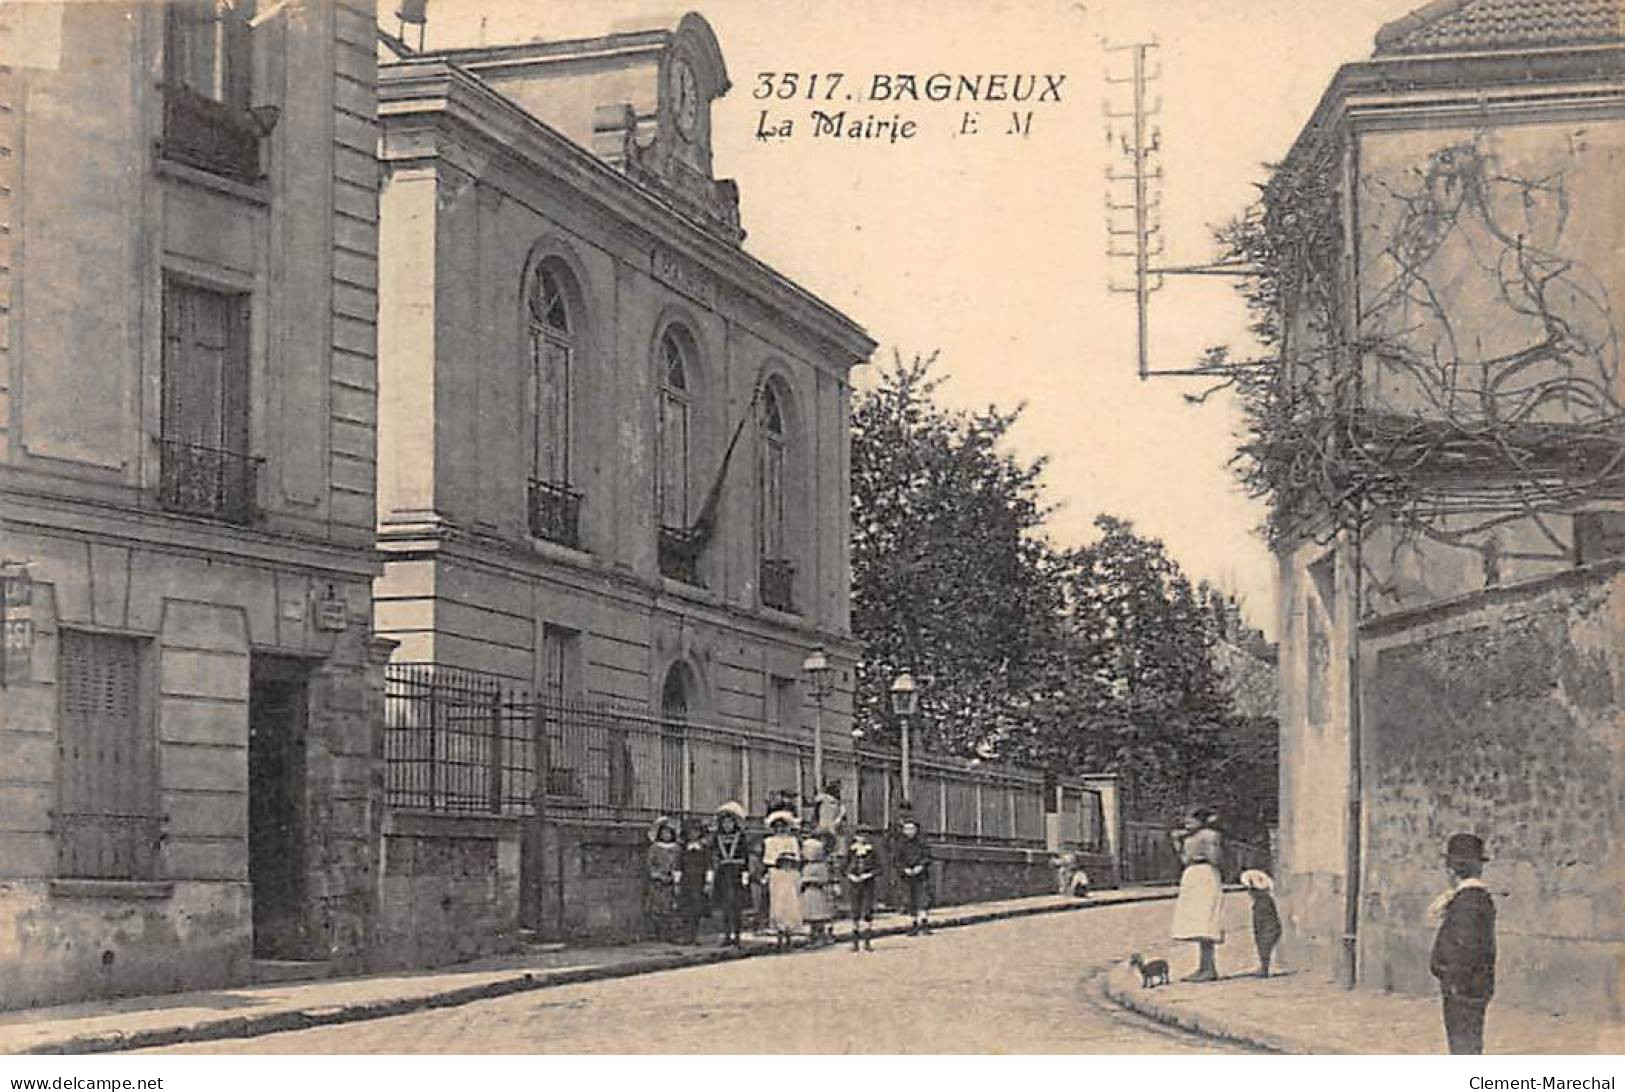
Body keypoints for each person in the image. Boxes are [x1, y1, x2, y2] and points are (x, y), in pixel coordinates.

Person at [1429, 832, 1496, 1055]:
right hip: (1473, 986)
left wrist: (1451, 979)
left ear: (1452, 870)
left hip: (1463, 989)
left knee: (1463, 1048)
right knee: (1468, 1045)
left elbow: (1465, 948)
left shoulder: (1467, 903)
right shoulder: (1475, 898)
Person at [1170, 808, 1225, 981]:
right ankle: (1203, 967)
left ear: (1201, 821)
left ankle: (1209, 969)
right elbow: (1185, 860)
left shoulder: (1209, 835)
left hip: (1205, 875)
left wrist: (1206, 849)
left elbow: (1216, 859)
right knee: (1197, 922)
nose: (1186, 823)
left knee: (1205, 921)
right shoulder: (1188, 838)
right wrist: (1178, 843)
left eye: (1190, 820)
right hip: (1192, 875)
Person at [708, 801, 751, 947]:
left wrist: (745, 874)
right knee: (725, 905)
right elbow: (713, 855)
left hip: (736, 873)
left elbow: (746, 857)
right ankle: (727, 934)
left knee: (736, 906)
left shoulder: (741, 837)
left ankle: (737, 935)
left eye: (730, 823)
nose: (727, 826)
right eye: (725, 823)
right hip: (722, 873)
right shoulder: (717, 838)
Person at [763, 810, 804, 951]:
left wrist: (790, 860)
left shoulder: (792, 841)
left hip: (790, 874)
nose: (780, 829)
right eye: (777, 826)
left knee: (790, 902)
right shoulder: (769, 841)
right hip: (777, 874)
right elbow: (768, 858)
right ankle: (779, 933)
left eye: (783, 826)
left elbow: (797, 857)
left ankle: (789, 935)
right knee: (777, 904)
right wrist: (777, 861)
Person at [644, 815, 681, 942]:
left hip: (671, 882)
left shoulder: (677, 848)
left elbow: (679, 864)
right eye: (664, 832)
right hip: (657, 882)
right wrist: (658, 875)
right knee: (656, 908)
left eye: (669, 833)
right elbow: (650, 864)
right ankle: (657, 933)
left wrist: (674, 876)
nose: (667, 835)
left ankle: (670, 933)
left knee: (670, 908)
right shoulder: (654, 848)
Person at [675, 817, 711, 945]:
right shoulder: (683, 849)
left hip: (699, 881)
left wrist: (708, 882)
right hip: (686, 880)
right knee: (685, 908)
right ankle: (686, 935)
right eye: (690, 832)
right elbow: (678, 866)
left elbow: (709, 865)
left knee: (697, 908)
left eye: (696, 832)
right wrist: (677, 883)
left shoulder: (704, 849)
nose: (693, 835)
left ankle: (695, 935)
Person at [1239, 869, 1281, 977]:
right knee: (1263, 949)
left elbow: (1264, 919)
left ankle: (1265, 968)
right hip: (1266, 929)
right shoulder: (1265, 900)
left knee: (1264, 949)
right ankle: (1264, 967)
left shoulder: (1262, 902)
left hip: (1266, 930)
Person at [896, 816, 933, 935]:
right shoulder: (900, 844)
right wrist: (904, 869)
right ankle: (914, 924)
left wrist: (920, 866)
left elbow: (927, 857)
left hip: (921, 874)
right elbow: (897, 860)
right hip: (907, 875)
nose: (910, 831)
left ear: (916, 830)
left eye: (912, 829)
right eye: (907, 829)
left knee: (923, 898)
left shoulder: (922, 843)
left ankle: (924, 923)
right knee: (910, 899)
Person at [800, 836, 836, 946]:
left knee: (818, 916)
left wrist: (809, 880)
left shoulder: (820, 866)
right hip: (808, 893)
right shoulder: (806, 866)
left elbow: (824, 879)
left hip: (817, 893)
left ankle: (821, 936)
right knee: (811, 917)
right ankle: (813, 936)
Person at [846, 834, 878, 952]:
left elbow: (879, 868)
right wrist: (850, 875)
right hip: (854, 884)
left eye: (863, 837)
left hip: (868, 884)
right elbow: (844, 867)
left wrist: (868, 875)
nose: (861, 839)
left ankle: (867, 941)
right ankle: (855, 942)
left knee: (867, 910)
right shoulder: (851, 851)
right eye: (858, 836)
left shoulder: (872, 851)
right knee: (855, 910)